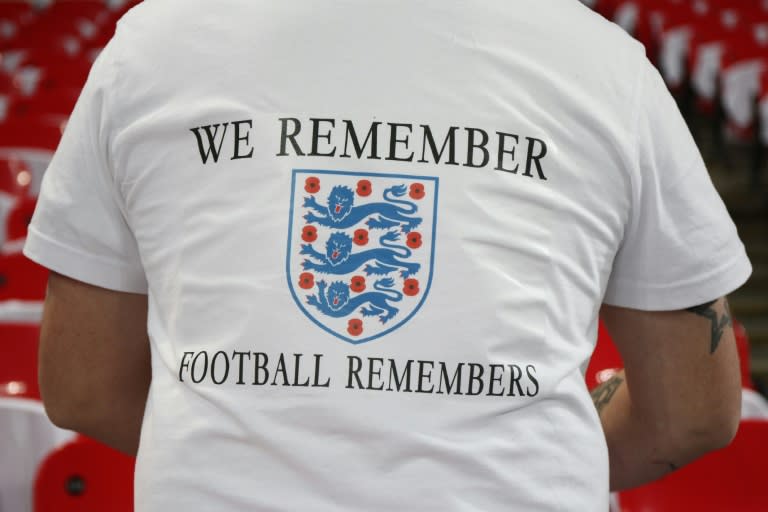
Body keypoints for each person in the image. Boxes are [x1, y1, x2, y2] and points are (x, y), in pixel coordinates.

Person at [25, 1, 751, 510]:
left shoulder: (147, 50)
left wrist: (282, 440)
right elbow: (691, 412)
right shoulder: (605, 70)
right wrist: (494, 458)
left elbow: (85, 386)